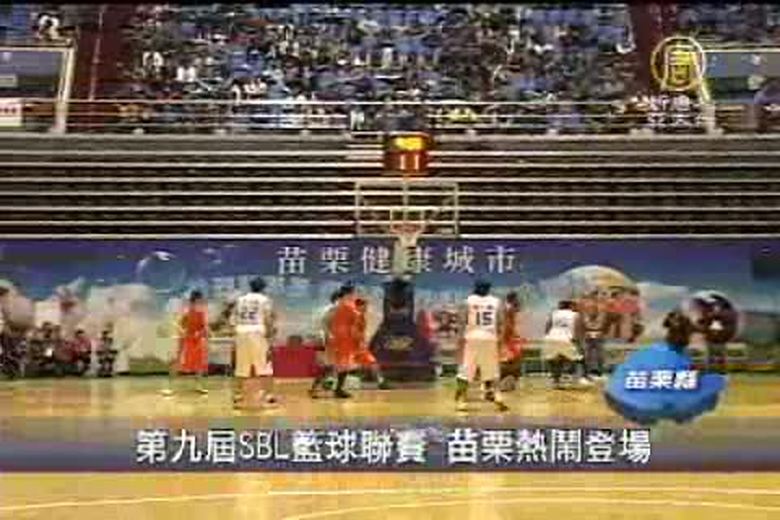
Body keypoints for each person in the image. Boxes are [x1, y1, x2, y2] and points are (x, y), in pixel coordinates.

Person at [455, 279, 509, 413]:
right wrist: (500, 340)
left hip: (472, 338)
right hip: (490, 338)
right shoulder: (496, 302)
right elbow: (502, 323)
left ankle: (462, 401)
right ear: (488, 289)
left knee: (466, 370)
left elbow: (462, 322)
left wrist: (460, 341)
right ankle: (498, 396)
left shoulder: (468, 301)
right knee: (492, 369)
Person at [231, 277, 277, 410]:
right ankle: (269, 395)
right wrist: (270, 335)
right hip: (257, 331)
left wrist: (236, 331)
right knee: (264, 364)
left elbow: (233, 318)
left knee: (241, 365)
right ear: (263, 288)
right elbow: (268, 318)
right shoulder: (264, 299)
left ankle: (238, 394)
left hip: (241, 331)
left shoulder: (241, 299)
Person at [162, 290, 210, 396]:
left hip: (197, 341)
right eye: (199, 300)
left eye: (201, 300)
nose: (200, 302)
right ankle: (169, 387)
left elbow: (204, 327)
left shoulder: (202, 312)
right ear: (194, 300)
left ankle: (199, 386)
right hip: (186, 341)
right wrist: (183, 331)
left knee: (199, 365)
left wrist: (201, 333)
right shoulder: (186, 311)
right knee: (178, 363)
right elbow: (177, 323)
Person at [543, 300, 589, 389]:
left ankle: (555, 381)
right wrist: (577, 340)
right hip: (565, 338)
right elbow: (577, 328)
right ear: (570, 306)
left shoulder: (554, 313)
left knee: (554, 359)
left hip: (552, 337)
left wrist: (547, 336)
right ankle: (583, 377)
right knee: (579, 358)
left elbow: (548, 325)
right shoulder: (574, 314)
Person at [329, 282, 361, 399]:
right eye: (354, 292)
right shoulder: (348, 305)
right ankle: (338, 389)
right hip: (344, 337)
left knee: (339, 364)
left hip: (338, 336)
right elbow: (355, 322)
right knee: (343, 364)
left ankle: (337, 388)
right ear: (350, 293)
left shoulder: (338, 305)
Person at [309, 289, 340, 398]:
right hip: (325, 340)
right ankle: (315, 388)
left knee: (329, 366)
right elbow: (326, 326)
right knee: (327, 366)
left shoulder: (324, 309)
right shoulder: (333, 309)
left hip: (321, 339)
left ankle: (326, 386)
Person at [353, 297, 389, 390]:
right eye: (364, 306)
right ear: (359, 306)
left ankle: (381, 381)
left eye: (366, 306)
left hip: (359, 346)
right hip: (354, 346)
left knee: (372, 362)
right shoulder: (356, 316)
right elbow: (353, 331)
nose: (366, 308)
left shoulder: (361, 317)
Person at [581, 295, 607, 380]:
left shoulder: (601, 313)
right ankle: (586, 373)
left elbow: (603, 320)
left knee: (600, 355)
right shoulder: (585, 314)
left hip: (598, 334)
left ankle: (600, 372)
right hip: (589, 334)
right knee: (587, 355)